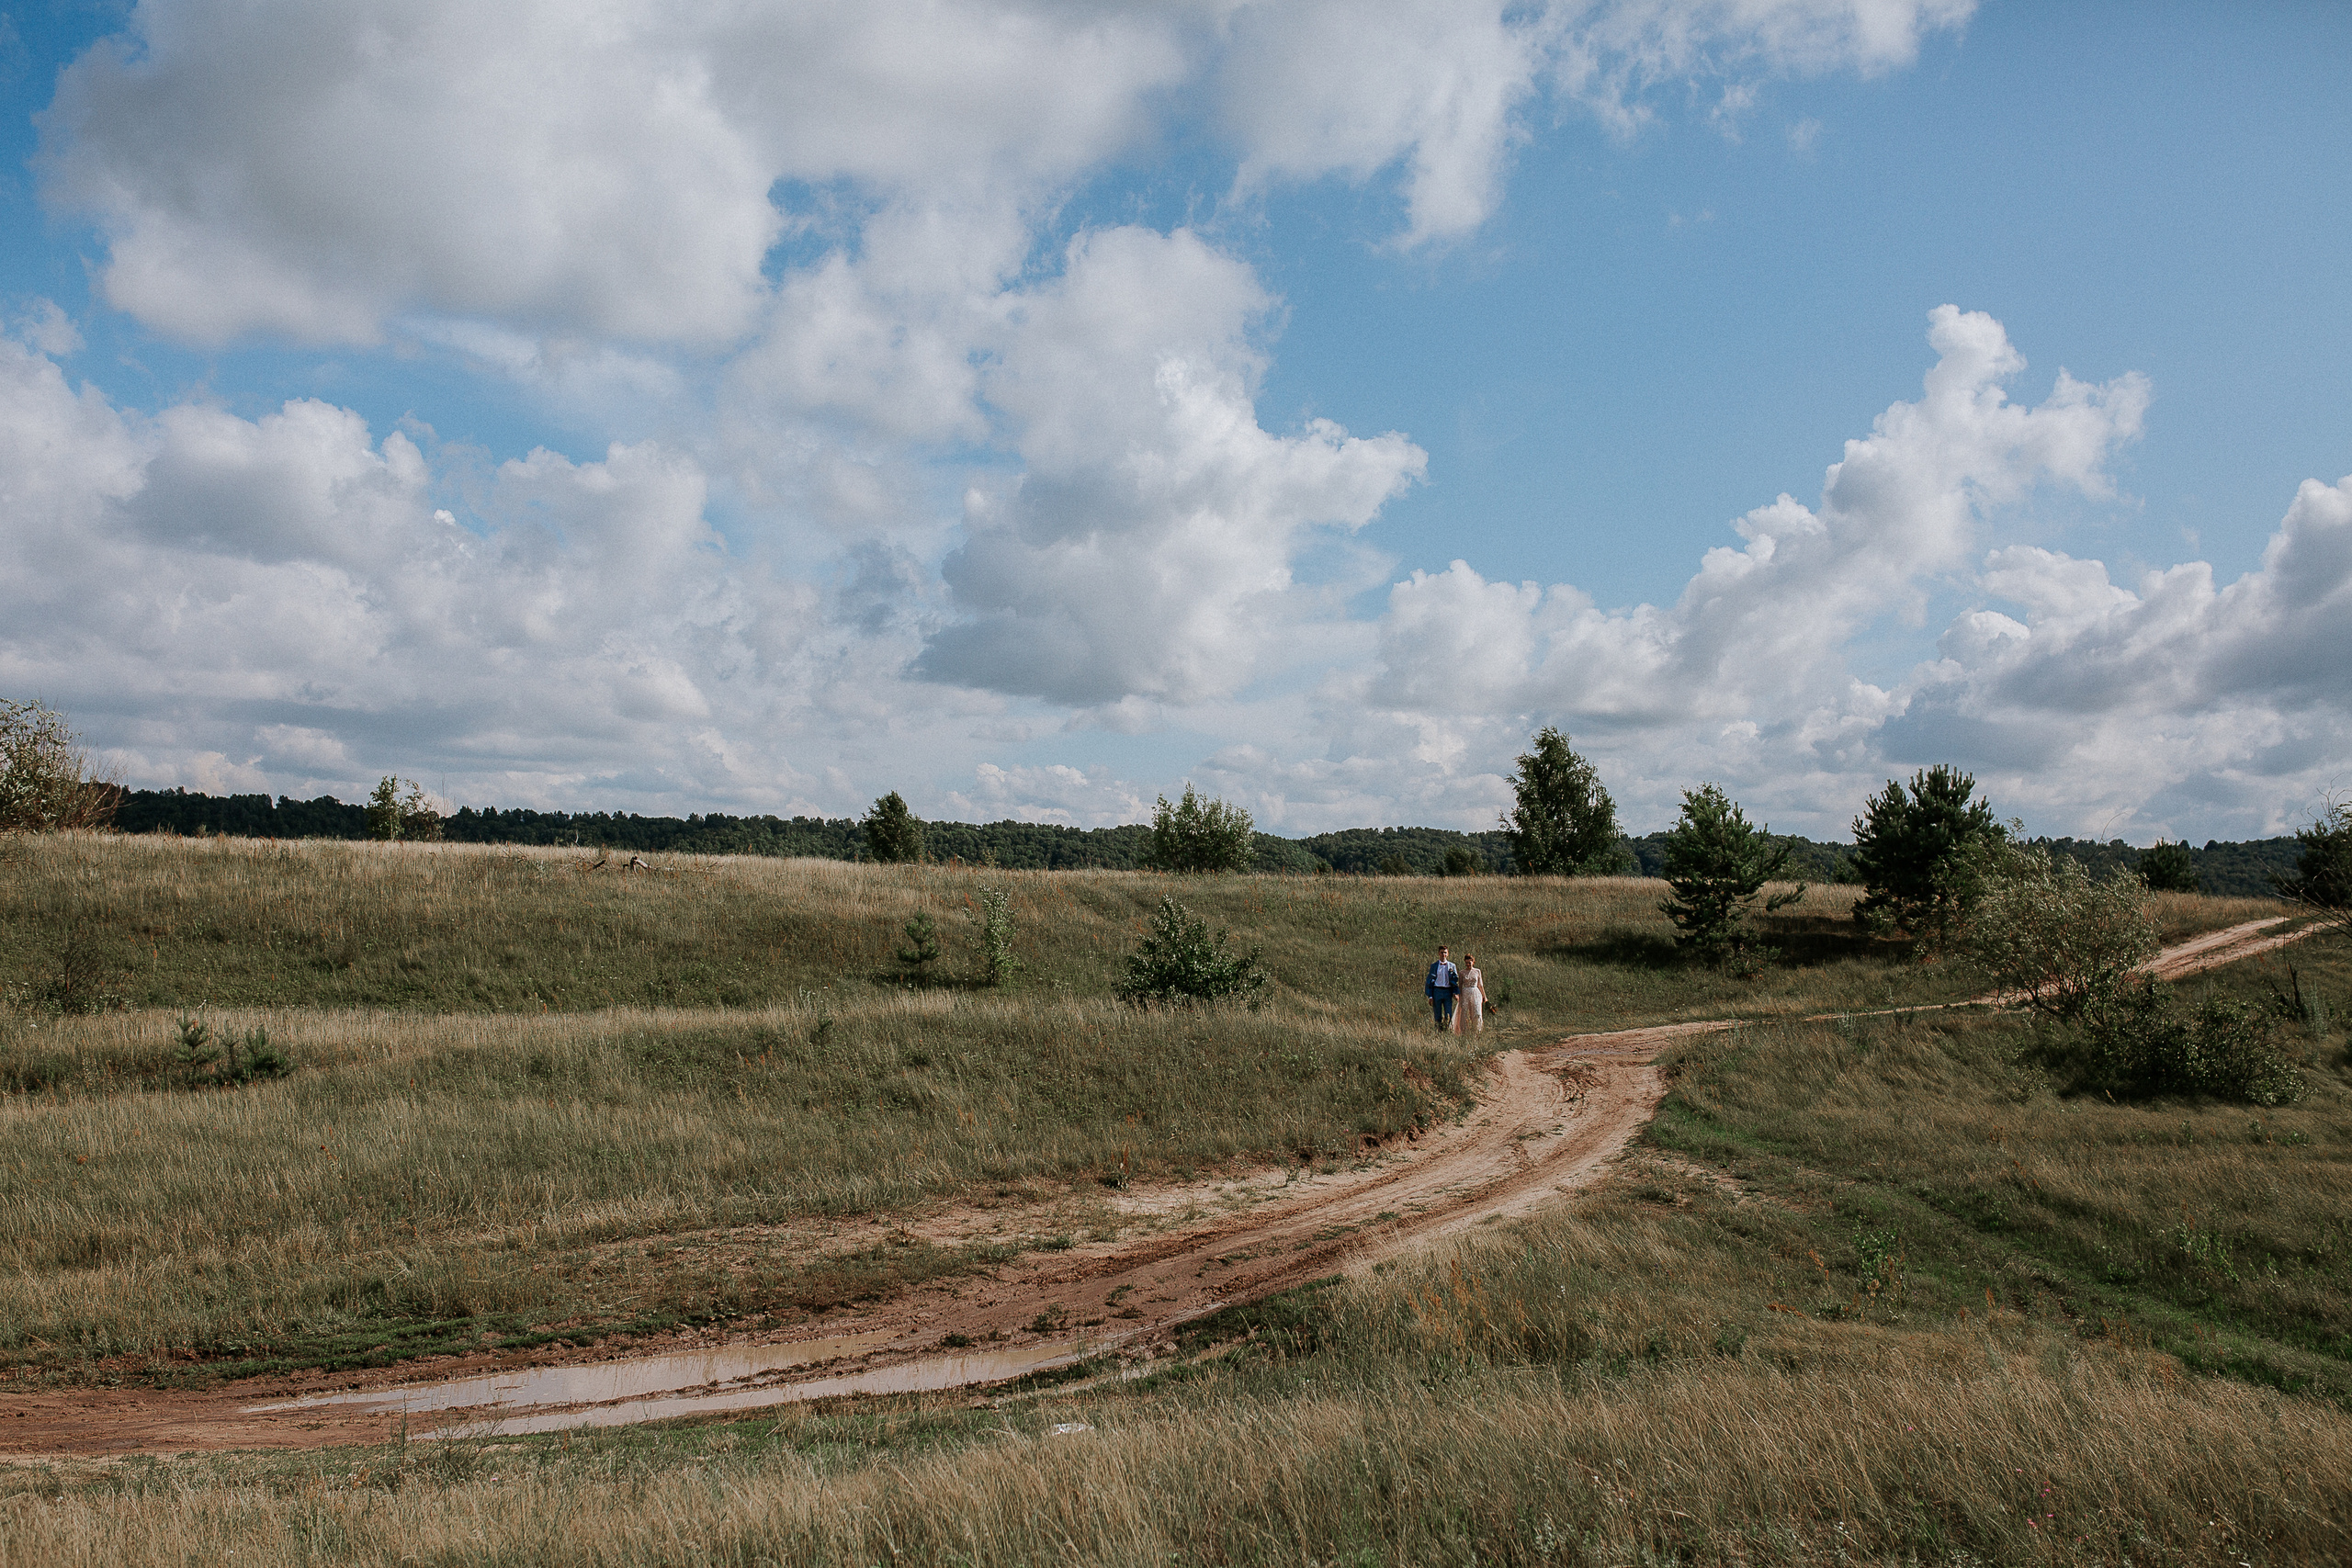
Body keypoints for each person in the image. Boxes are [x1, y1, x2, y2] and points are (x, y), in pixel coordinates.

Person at [1425, 944, 1459, 1032]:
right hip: (1437, 991)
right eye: (1442, 953)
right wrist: (1430, 996)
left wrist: (1455, 992)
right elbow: (1429, 981)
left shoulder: (1452, 966)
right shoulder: (1434, 966)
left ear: (1447, 954)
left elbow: (1455, 980)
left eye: (1445, 953)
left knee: (1448, 1013)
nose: (1443, 954)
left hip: (1448, 991)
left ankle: (1448, 1030)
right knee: (1438, 1014)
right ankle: (1438, 1031)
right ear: (1438, 953)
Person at [1453, 953, 1486, 1034]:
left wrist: (1484, 996)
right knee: (1465, 1013)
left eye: (1469, 963)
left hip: (1476, 993)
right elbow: (1460, 985)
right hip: (1465, 993)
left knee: (1477, 1012)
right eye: (1466, 963)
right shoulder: (1462, 972)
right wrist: (1458, 995)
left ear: (1473, 962)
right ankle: (1465, 1032)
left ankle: (1477, 1031)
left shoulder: (1477, 971)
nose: (1468, 965)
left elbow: (1480, 985)